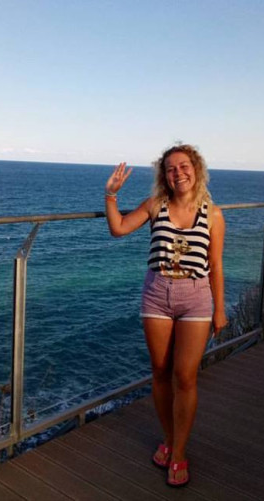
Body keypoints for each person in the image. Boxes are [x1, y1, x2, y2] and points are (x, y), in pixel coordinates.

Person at [104, 144, 226, 488]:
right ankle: (170, 440)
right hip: (157, 294)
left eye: (184, 166)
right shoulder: (155, 205)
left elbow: (216, 265)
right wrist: (111, 195)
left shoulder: (213, 214)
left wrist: (220, 309)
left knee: (185, 377)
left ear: (196, 169)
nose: (178, 173)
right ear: (164, 176)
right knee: (160, 372)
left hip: (196, 297)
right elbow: (119, 228)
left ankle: (179, 452)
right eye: (171, 168)